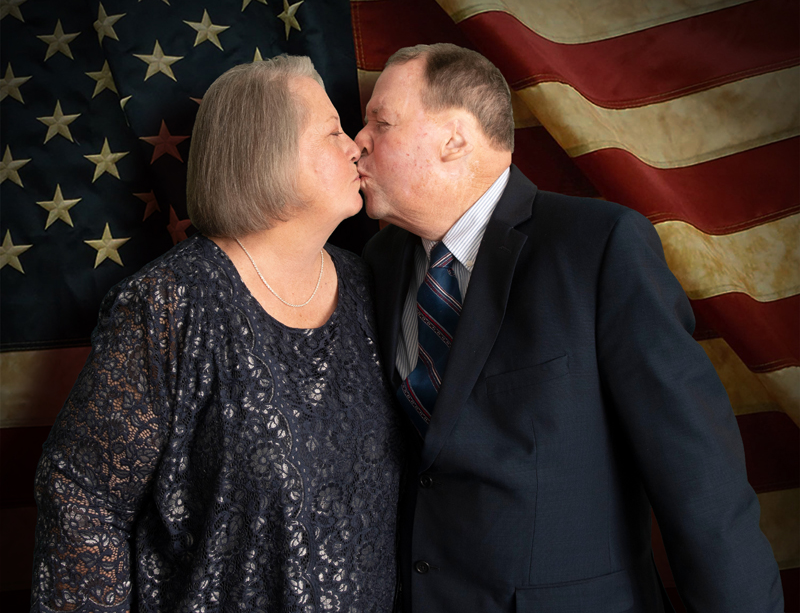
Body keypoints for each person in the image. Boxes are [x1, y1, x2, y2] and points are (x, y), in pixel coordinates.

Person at [356, 43, 783, 612]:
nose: (358, 142)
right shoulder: (378, 264)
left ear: (454, 139)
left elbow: (699, 479)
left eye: (380, 123)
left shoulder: (598, 246)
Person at [31, 56, 404, 612]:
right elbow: (82, 497)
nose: (355, 147)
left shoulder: (368, 283)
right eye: (332, 133)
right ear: (267, 151)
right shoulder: (170, 302)